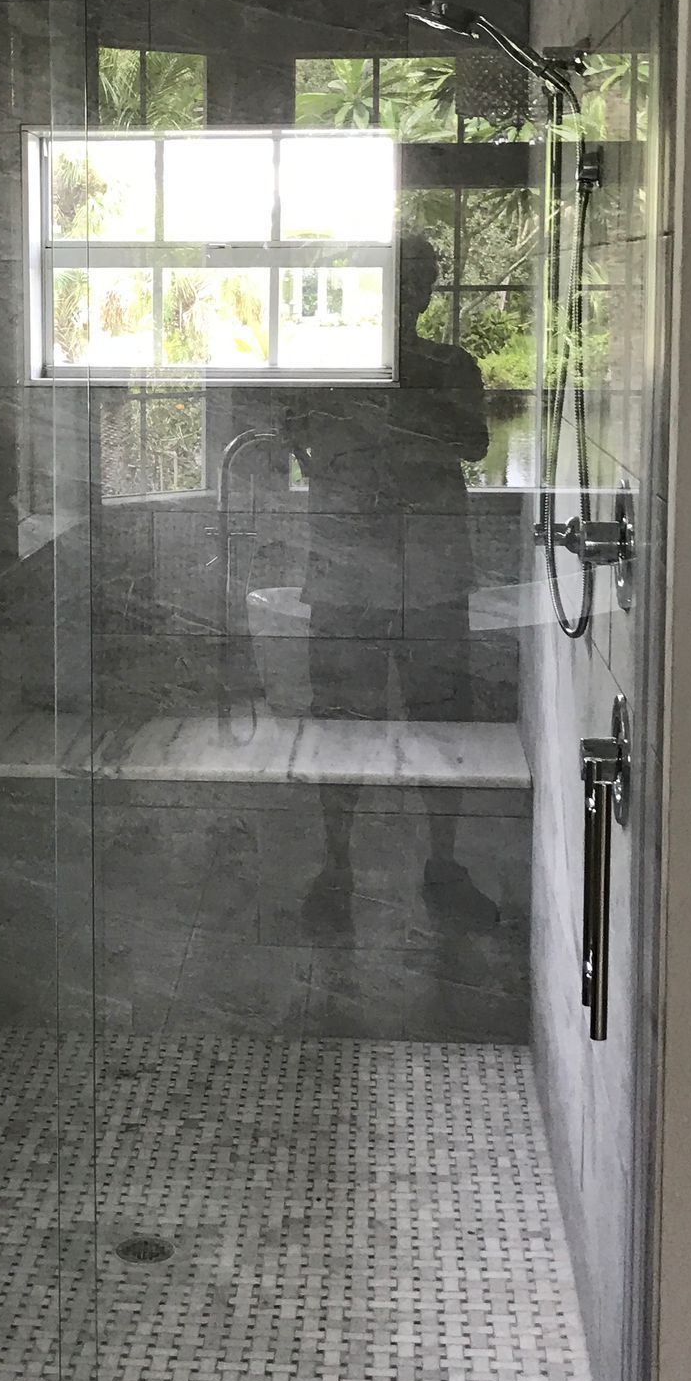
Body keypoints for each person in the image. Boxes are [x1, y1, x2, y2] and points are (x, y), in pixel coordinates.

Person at [283, 235, 498, 933]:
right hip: (352, 568)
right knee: (342, 719)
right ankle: (337, 865)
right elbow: (300, 438)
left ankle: (440, 862)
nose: (412, 294)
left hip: (423, 569)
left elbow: (473, 443)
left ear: (430, 291)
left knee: (441, 718)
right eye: (401, 280)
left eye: (421, 280)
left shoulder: (446, 365)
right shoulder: (332, 366)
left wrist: (385, 421)